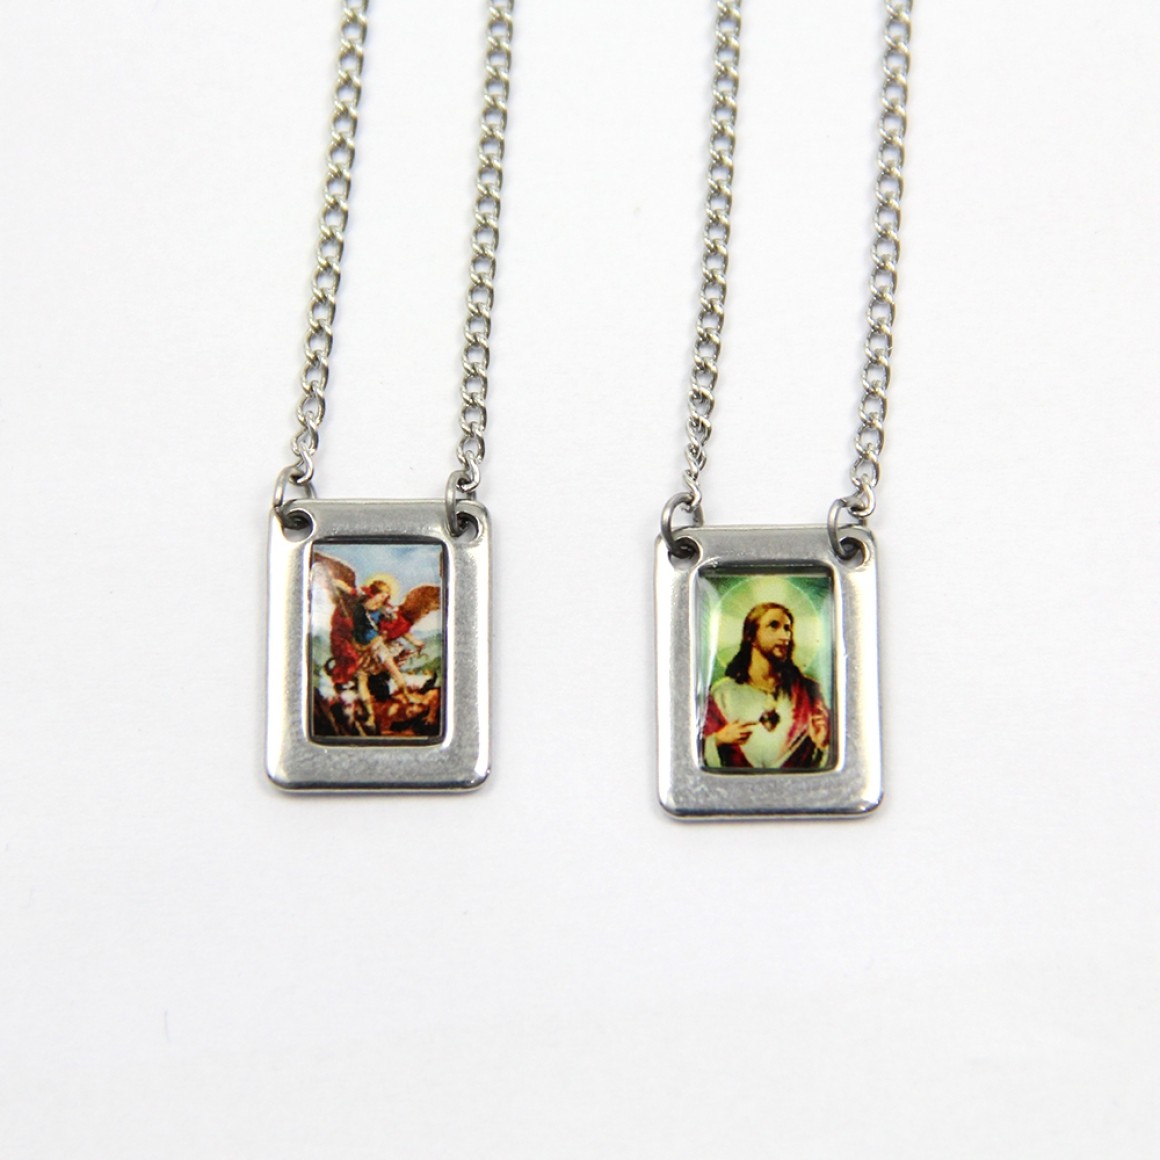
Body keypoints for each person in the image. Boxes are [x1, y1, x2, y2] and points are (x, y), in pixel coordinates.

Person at [702, 601, 830, 770]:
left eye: (787, 628)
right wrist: (719, 739)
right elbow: (698, 753)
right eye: (773, 626)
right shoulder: (722, 693)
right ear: (751, 636)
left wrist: (822, 745)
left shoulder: (808, 692)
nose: (785, 636)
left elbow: (826, 753)